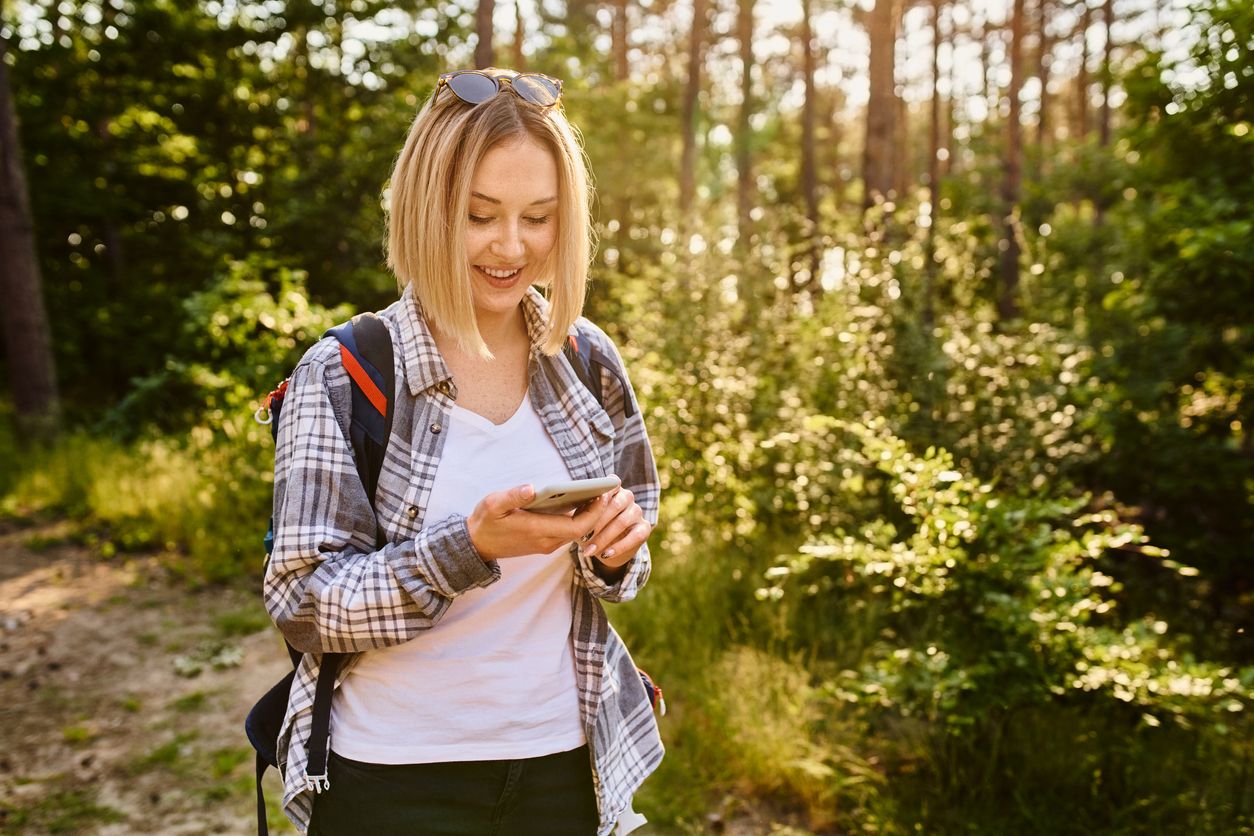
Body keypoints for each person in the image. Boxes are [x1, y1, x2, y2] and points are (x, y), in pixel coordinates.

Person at [263, 68, 663, 835]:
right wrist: (467, 548)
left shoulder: (588, 358)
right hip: (394, 777)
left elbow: (630, 547)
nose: (511, 246)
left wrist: (612, 552)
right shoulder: (346, 372)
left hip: (564, 764)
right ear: (428, 207)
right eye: (481, 215)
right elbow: (303, 603)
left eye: (539, 217)